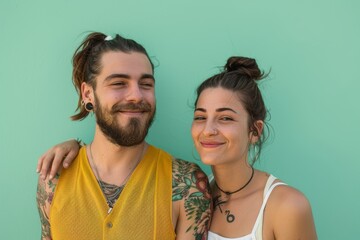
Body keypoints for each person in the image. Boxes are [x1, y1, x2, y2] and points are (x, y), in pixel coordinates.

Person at [38, 56, 318, 239]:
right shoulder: (198, 189)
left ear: (254, 131)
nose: (208, 129)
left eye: (225, 118)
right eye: (200, 117)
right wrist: (76, 144)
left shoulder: (286, 206)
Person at [36, 32, 211, 240]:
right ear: (88, 94)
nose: (136, 95)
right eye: (119, 83)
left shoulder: (187, 185)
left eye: (146, 84)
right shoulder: (54, 178)